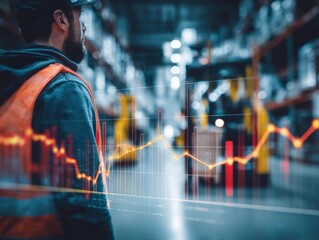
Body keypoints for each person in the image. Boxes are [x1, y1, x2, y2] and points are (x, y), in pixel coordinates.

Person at [0, 0, 115, 239]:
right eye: (78, 15)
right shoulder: (64, 88)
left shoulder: (11, 82)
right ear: (61, 19)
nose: (83, 27)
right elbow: (84, 206)